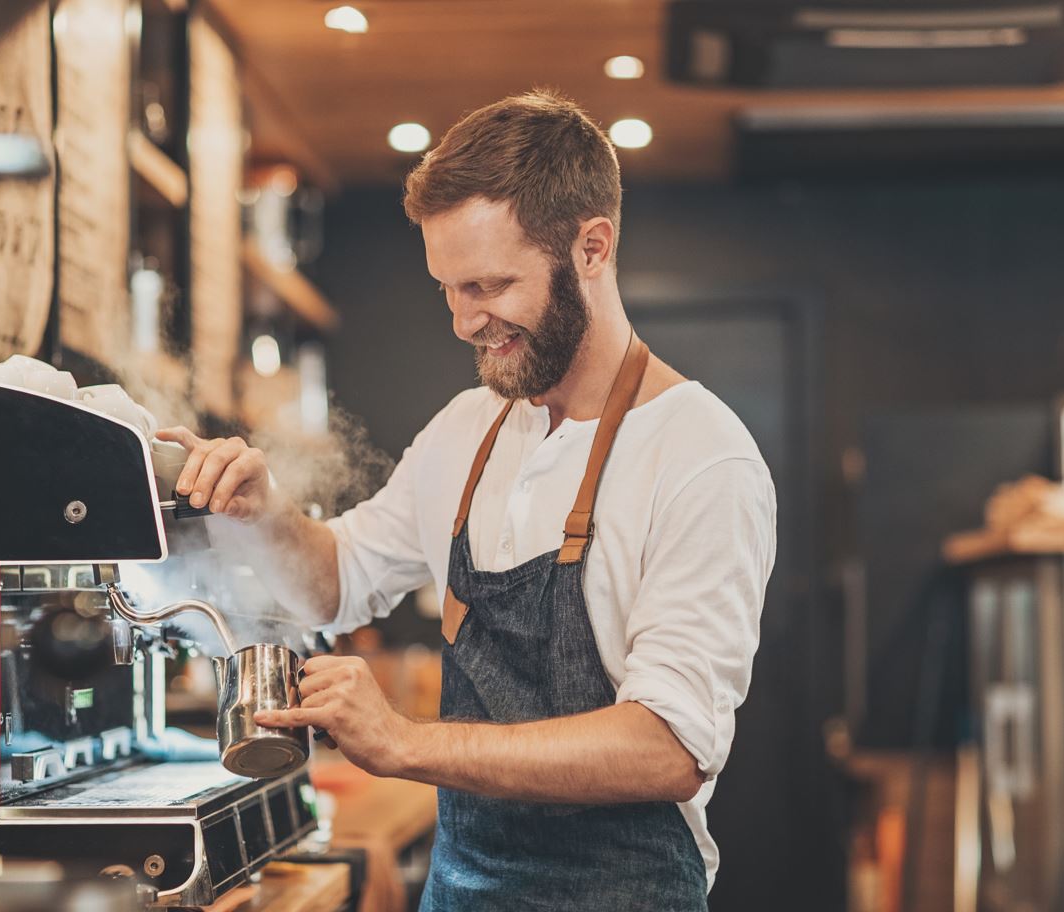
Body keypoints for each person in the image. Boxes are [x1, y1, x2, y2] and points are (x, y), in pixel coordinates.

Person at [155, 90, 776, 910]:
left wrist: (407, 743)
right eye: (447, 288)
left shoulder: (700, 456)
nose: (462, 321)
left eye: (487, 285)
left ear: (591, 247)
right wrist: (264, 513)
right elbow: (335, 584)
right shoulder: (469, 428)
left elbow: (667, 749)